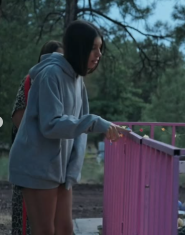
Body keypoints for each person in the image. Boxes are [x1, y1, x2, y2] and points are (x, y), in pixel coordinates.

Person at [8, 20, 129, 235]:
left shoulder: (77, 79)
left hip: (60, 170)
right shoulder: (50, 75)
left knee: (65, 229)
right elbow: (51, 125)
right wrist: (96, 123)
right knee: (45, 230)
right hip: (36, 165)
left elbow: (79, 126)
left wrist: (72, 170)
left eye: (100, 48)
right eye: (93, 48)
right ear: (78, 47)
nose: (98, 54)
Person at [10, 40, 64, 235]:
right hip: (29, 162)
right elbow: (18, 117)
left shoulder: (58, 83)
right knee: (27, 222)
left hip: (49, 166)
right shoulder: (30, 81)